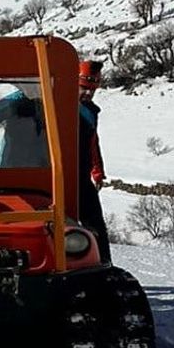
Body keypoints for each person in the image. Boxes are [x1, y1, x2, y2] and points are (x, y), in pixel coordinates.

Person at [76, 60, 111, 262]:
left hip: (80, 175)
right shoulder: (50, 102)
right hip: (48, 174)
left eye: (93, 90)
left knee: (95, 225)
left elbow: (92, 143)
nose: (88, 94)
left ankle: (103, 265)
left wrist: (97, 170)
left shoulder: (90, 112)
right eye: (84, 88)